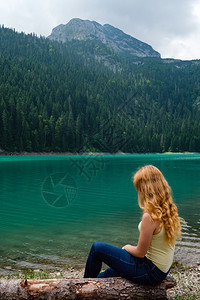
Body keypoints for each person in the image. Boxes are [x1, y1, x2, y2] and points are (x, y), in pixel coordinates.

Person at [84, 165, 182, 285]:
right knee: (108, 273)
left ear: (145, 188)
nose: (138, 192)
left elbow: (140, 252)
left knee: (97, 248)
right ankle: (90, 286)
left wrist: (126, 247)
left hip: (150, 272)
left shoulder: (150, 216)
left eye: (139, 188)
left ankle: (83, 287)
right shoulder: (167, 209)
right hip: (160, 270)